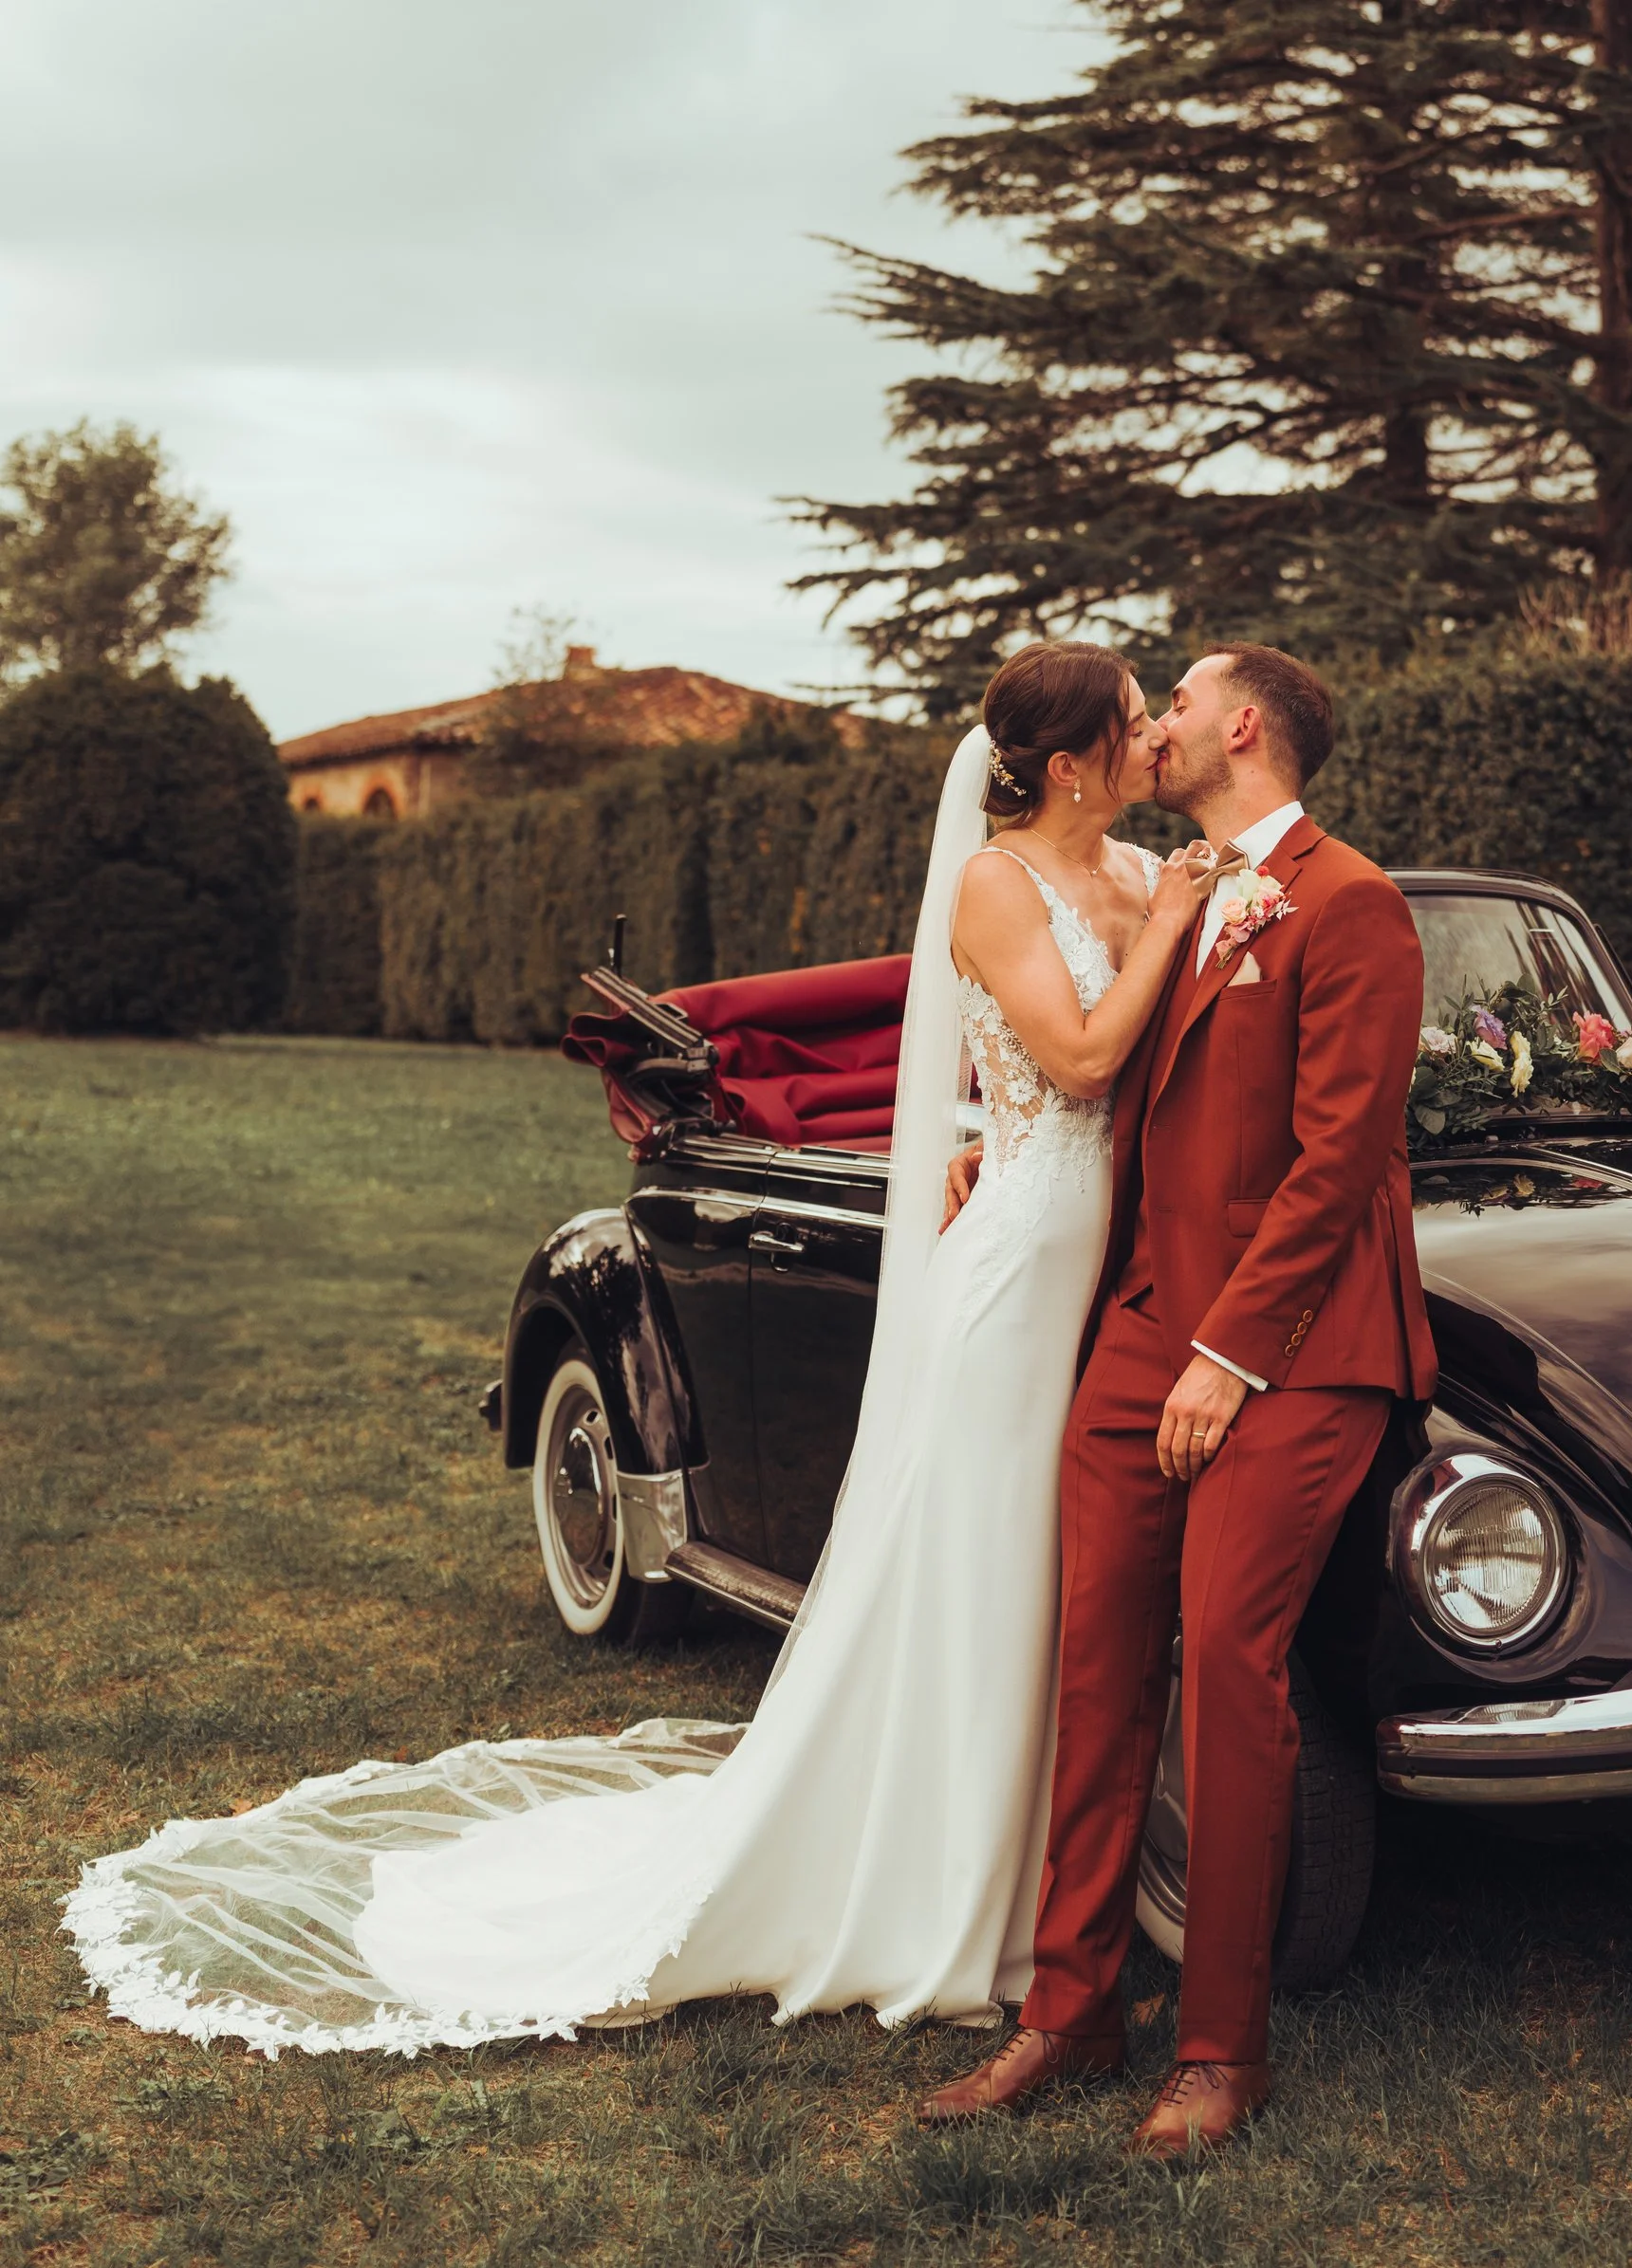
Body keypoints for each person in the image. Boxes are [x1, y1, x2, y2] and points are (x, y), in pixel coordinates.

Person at [63, 642, 1214, 2054]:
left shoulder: (1150, 873)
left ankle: (1059, 1871)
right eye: (1138, 716)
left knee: (1053, 1567)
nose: (1158, 731)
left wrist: (1168, 929)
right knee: (978, 1553)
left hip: (1092, 1244)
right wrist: (1168, 939)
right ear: (1076, 757)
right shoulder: (998, 881)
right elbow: (1083, 1057)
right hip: (1017, 1272)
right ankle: (943, 1885)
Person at [922, 643, 1436, 2158]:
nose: (1157, 727)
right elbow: (1088, 1062)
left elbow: (1340, 1159)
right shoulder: (1178, 881)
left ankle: (1221, 2046)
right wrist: (989, 1146)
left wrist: (1232, 1355)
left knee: (1224, 1656)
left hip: (1300, 1341)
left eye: (1182, 701)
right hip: (1144, 1320)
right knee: (1095, 1658)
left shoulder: (1354, 903)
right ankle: (1069, 2008)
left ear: (1246, 726)